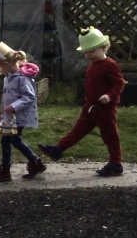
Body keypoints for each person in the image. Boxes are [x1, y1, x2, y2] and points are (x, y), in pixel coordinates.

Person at [39, 27, 126, 177]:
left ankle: (116, 163)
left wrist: (109, 96)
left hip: (104, 108)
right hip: (90, 107)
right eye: (86, 52)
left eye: (92, 51)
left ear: (104, 47)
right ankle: (58, 150)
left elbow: (119, 83)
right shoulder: (92, 65)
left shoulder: (109, 64)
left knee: (110, 135)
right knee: (77, 130)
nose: (88, 55)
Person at [0, 43, 46, 182]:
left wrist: (13, 107)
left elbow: (29, 96)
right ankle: (35, 162)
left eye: (0, 67)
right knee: (14, 140)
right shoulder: (8, 78)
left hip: (19, 115)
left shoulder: (22, 78)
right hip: (11, 116)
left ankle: (6, 170)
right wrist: (3, 112)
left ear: (7, 65)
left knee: (8, 139)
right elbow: (7, 97)